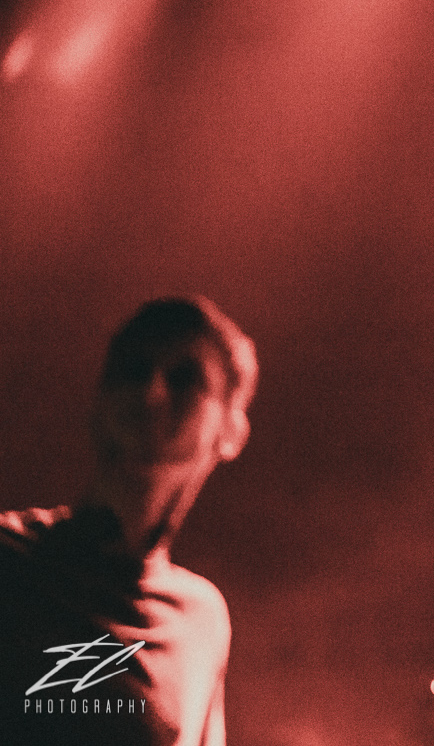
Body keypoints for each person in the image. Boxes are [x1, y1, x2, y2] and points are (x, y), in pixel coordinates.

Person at [2, 296, 257, 745]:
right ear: (98, 404)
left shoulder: (203, 619)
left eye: (184, 378)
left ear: (232, 432)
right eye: (133, 371)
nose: (151, 392)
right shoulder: (8, 557)